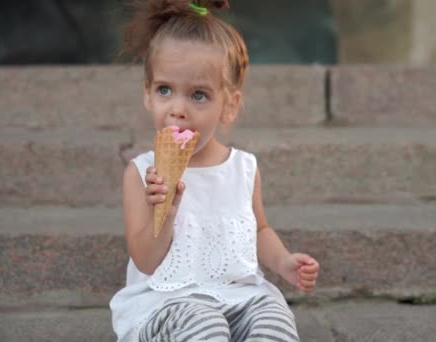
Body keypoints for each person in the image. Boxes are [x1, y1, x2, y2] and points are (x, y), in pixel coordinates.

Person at [110, 1, 320, 341]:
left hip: (238, 296)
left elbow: (259, 230)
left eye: (198, 95)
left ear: (230, 105)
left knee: (275, 315)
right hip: (169, 303)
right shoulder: (140, 174)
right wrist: (165, 210)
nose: (177, 109)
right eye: (165, 90)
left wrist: (283, 262)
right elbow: (146, 262)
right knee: (204, 322)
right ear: (147, 94)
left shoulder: (243, 168)